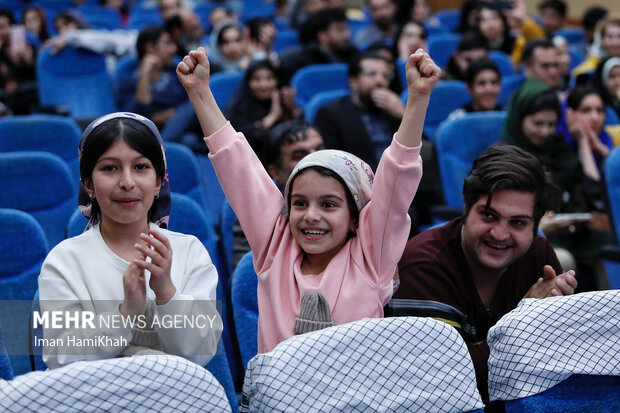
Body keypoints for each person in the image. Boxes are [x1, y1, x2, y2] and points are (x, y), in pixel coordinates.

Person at [176, 46, 439, 352]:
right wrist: (199, 92)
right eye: (299, 203)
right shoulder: (276, 247)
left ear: (357, 218)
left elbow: (397, 179)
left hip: (355, 398)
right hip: (282, 398)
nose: (311, 215)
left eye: (328, 204)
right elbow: (238, 170)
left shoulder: (372, 256)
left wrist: (418, 99)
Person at [394, 145, 577, 402]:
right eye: (489, 215)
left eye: (518, 223)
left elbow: (556, 364)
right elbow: (442, 379)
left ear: (536, 225)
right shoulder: (423, 268)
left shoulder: (539, 255)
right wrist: (526, 319)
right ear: (466, 206)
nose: (500, 234)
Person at [38, 112, 222, 369]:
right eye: (110, 168)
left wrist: (166, 292)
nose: (127, 182)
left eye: (141, 167)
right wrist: (125, 314)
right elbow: (60, 356)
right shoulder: (65, 261)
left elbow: (200, 354)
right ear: (89, 185)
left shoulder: (189, 251)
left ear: (159, 182)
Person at [503, 79, 613, 290]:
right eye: (538, 124)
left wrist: (574, 219)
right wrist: (540, 227)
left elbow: (590, 197)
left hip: (566, 234)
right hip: (528, 235)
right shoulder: (505, 158)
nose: (545, 132)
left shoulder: (560, 151)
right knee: (561, 260)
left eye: (551, 125)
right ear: (520, 119)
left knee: (607, 245)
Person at [232, 120, 326, 270]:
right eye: (300, 155)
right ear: (276, 172)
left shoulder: (349, 198)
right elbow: (246, 277)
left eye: (320, 150)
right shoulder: (257, 214)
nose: (316, 160)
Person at [315, 52, 404, 171]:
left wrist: (404, 116)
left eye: (385, 76)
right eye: (371, 74)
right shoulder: (331, 113)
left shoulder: (394, 110)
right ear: (353, 81)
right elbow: (332, 164)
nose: (380, 81)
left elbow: (419, 152)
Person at [116, 26, 187, 129]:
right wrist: (145, 73)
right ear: (151, 48)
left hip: (179, 129)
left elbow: (187, 109)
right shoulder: (127, 80)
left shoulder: (175, 73)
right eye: (168, 43)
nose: (174, 49)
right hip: (146, 134)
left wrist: (173, 114)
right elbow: (133, 119)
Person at [226, 59, 302, 154]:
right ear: (248, 82)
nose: (264, 85)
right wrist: (272, 117)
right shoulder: (239, 106)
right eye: (257, 79)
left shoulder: (282, 100)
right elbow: (239, 141)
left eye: (269, 78)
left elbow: (300, 132)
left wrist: (292, 108)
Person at [279, 7, 359, 84]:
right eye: (340, 30)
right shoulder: (300, 59)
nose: (347, 35)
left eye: (347, 29)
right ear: (322, 35)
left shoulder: (353, 54)